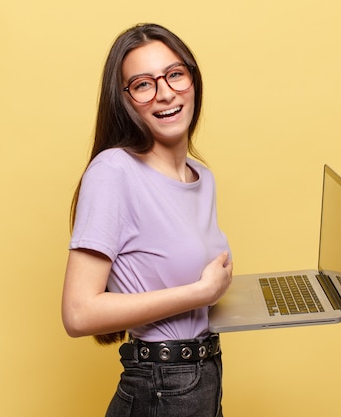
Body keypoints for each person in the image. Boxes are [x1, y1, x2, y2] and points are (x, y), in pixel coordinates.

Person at [62, 23, 233, 417]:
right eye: (143, 84)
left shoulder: (201, 178)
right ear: (124, 100)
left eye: (175, 74)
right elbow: (77, 313)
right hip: (161, 386)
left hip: (203, 378)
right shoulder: (113, 173)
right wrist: (201, 294)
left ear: (192, 78)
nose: (166, 93)